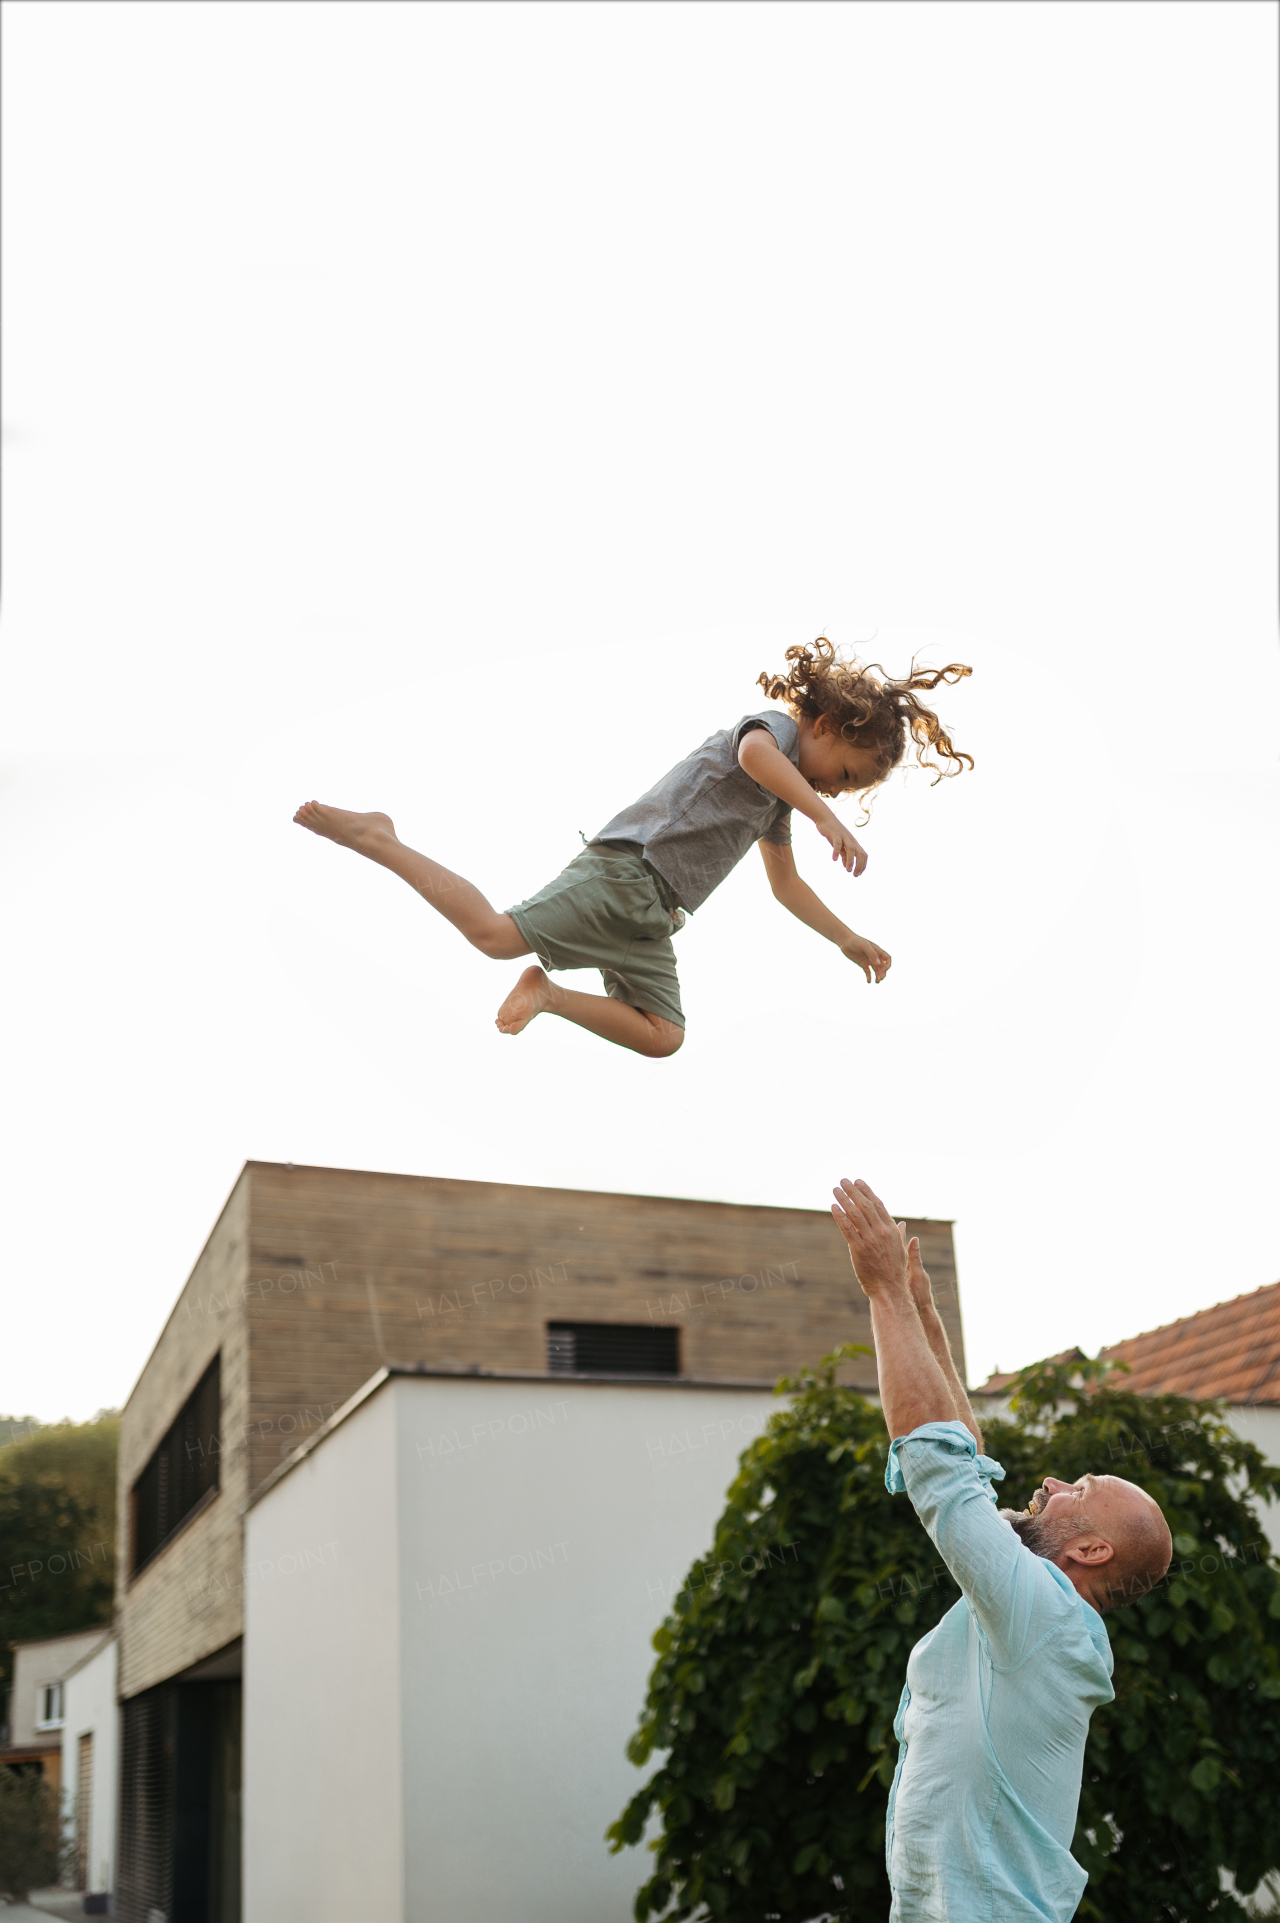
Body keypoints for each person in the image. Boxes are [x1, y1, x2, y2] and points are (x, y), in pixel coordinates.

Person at [293, 638, 971, 1058]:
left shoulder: (778, 801)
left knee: (663, 1034)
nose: (833, 787)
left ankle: (549, 995)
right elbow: (756, 754)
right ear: (824, 724)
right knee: (496, 935)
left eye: (845, 790)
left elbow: (785, 886)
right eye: (843, 772)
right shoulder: (775, 737)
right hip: (626, 873)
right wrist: (824, 814)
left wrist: (846, 938)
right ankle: (381, 838)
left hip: (654, 919)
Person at [830, 1175, 1172, 1923]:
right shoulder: (1039, 1614)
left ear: (1088, 1549)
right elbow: (970, 1469)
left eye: (1076, 1486)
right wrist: (925, 1318)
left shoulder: (1045, 1617)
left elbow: (941, 1469)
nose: (1048, 1481)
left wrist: (884, 1291)